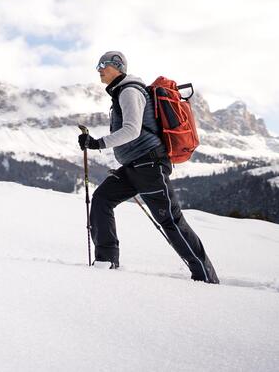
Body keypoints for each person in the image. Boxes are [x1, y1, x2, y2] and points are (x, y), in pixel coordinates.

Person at [78, 51, 219, 283]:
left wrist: (97, 143)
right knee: (102, 199)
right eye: (98, 64)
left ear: (118, 66)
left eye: (103, 64)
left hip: (149, 166)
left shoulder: (130, 91)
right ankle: (106, 261)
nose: (99, 69)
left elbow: (132, 130)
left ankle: (206, 278)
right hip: (134, 167)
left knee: (170, 221)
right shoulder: (120, 92)